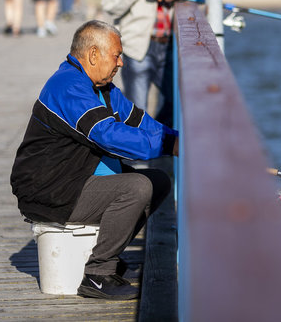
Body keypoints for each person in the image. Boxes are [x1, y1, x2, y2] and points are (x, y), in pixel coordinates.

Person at [10, 20, 175, 300]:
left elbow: (140, 123)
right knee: (136, 187)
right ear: (94, 55)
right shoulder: (68, 86)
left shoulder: (104, 89)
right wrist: (169, 145)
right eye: (116, 55)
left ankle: (108, 257)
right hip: (48, 190)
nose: (121, 63)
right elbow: (108, 135)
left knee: (158, 180)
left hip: (75, 179)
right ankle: (98, 275)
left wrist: (179, 139)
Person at [102, 0, 194, 125]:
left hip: (170, 48)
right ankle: (137, 155)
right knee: (136, 110)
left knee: (180, 101)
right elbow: (109, 4)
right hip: (137, 48)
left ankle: (156, 137)